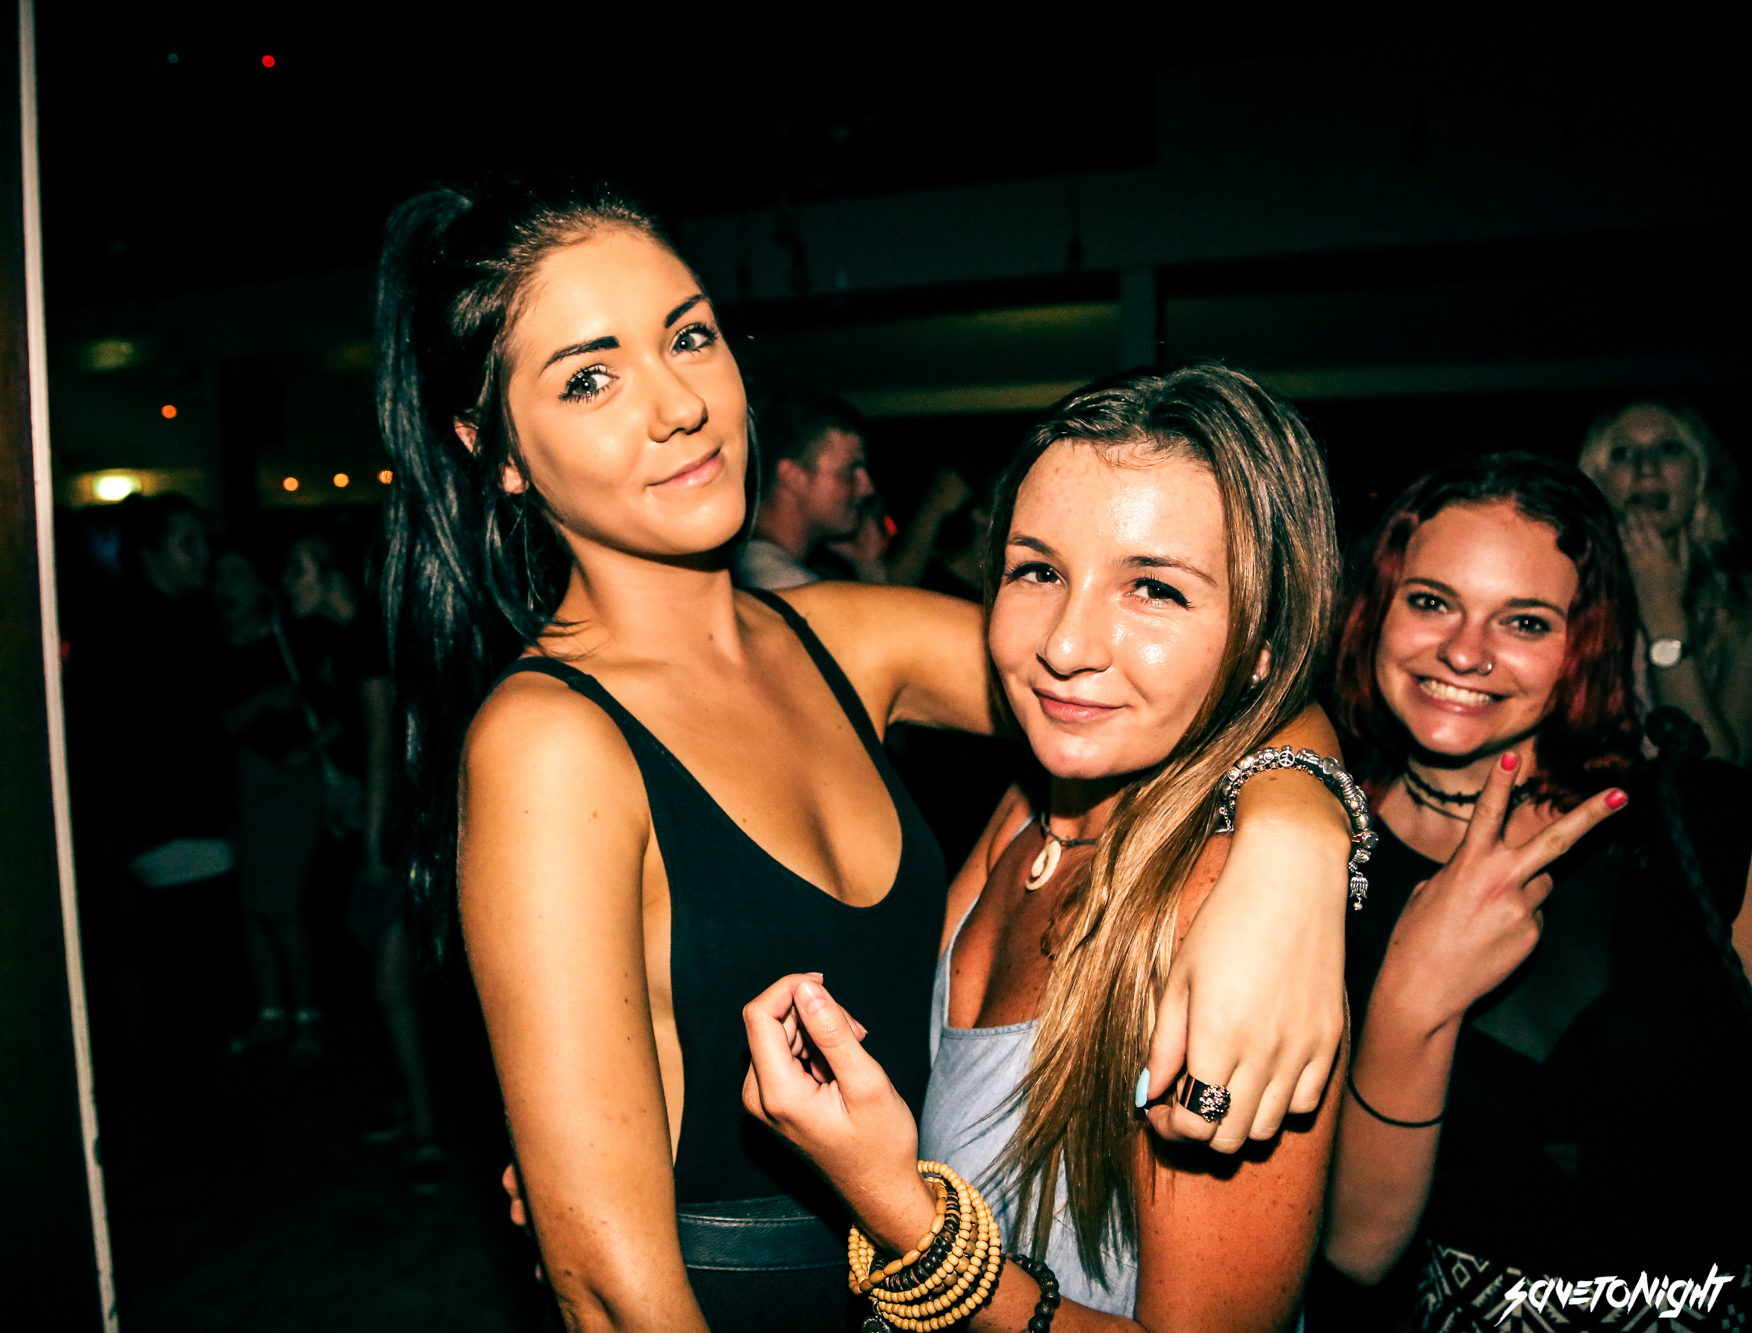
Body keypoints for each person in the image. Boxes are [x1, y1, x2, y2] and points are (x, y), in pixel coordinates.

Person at [378, 179, 1353, 1333]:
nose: (678, 405)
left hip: (939, 1275)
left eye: (687, 338)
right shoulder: (548, 740)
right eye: (589, 378)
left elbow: (1200, 680)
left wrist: (1292, 848)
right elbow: (607, 1286)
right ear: (494, 449)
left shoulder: (848, 638)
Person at [741, 365, 1358, 1329]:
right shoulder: (1032, 809)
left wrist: (898, 1210)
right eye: (1038, 570)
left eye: (1154, 588)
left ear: (1264, 644)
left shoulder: (1224, 929)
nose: (1066, 645)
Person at [1321, 454, 1752, 1329]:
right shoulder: (1310, 851)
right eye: (1431, 601)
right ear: (1379, 609)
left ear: (1584, 642)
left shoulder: (1700, 823)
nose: (1463, 650)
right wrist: (1414, 996)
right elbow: (1356, 1249)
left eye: (1524, 620)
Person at [68, 492, 247, 1169]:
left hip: (171, 828)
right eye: (187, 543)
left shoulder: (160, 618)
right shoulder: (144, 626)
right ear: (150, 552)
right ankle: (189, 1129)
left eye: (202, 541)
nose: (202, 557)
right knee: (187, 989)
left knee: (186, 988)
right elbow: (154, 740)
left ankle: (190, 1122)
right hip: (169, 829)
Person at [281, 531, 447, 1183]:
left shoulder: (365, 639)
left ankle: (429, 1133)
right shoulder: (354, 638)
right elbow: (358, 726)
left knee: (391, 986)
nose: (287, 583)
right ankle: (416, 1107)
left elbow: (383, 744)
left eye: (297, 568)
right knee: (398, 982)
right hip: (402, 825)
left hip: (402, 833)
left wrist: (376, 844)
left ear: (330, 573)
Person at [1577, 396, 1752, 760]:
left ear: (1701, 472)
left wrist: (1664, 616)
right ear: (1598, 479)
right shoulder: (1568, 592)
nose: (1646, 469)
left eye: (1669, 448)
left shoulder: (1740, 605)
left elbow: (1718, 772)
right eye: (1622, 453)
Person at [213, 548, 324, 1065]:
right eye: (219, 577)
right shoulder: (209, 646)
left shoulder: (290, 638)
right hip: (240, 787)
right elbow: (208, 730)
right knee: (251, 904)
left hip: (291, 786)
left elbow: (341, 708)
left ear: (261, 584)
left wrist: (310, 749)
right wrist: (260, 703)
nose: (225, 587)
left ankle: (306, 1015)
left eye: (237, 574)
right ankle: (270, 1010)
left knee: (280, 903)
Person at [734, 389, 875, 590]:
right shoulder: (783, 583)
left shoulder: (758, 567)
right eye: (849, 470)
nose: (867, 489)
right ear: (792, 476)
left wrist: (867, 564)